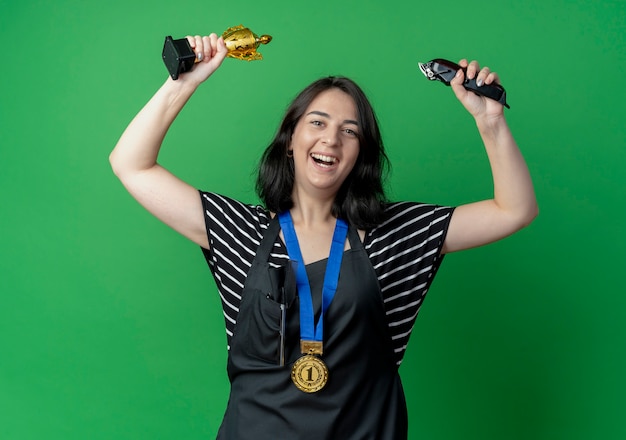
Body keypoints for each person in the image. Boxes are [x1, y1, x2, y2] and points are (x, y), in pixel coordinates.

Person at [110, 33, 537, 439]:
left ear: (360, 155)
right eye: (317, 122)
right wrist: (182, 83)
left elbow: (514, 210)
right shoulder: (238, 230)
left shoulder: (396, 236)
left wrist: (490, 123)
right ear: (290, 140)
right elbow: (131, 164)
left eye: (350, 131)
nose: (331, 138)